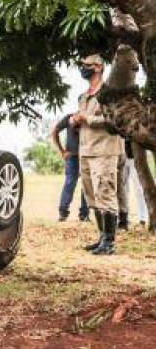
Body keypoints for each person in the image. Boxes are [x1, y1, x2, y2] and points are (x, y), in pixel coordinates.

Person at [76, 54, 124, 255]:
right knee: (92, 196)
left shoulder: (109, 92)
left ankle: (110, 242)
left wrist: (86, 118)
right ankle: (102, 237)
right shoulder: (83, 95)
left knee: (105, 192)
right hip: (86, 151)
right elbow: (85, 121)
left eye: (86, 65)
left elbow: (112, 119)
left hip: (105, 151)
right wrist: (75, 120)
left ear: (98, 67)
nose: (82, 69)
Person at [50, 113, 89, 222]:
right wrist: (62, 151)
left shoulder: (89, 118)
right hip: (72, 156)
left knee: (86, 184)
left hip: (87, 155)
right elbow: (55, 131)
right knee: (69, 183)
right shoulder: (69, 118)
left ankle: (84, 214)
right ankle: (63, 213)